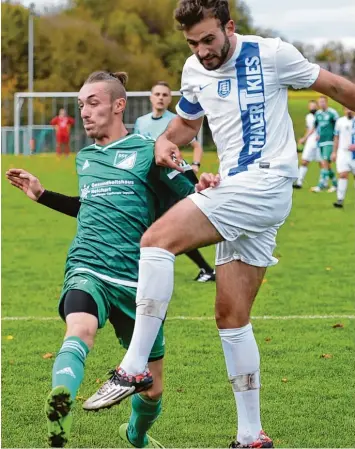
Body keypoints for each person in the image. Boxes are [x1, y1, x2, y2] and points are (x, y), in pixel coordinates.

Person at [84, 1, 355, 448]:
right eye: (193, 43)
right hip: (240, 188)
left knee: (156, 241)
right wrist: (165, 143)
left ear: (229, 26)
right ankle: (251, 436)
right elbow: (187, 124)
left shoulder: (272, 53)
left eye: (209, 39)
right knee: (231, 317)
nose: (203, 50)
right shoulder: (193, 70)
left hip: (266, 181)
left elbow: (336, 86)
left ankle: (133, 365)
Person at [6, 70, 208, 449]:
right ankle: (60, 405)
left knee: (152, 388)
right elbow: (90, 207)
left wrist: (203, 184)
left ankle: (136, 435)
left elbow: (193, 200)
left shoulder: (151, 150)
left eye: (93, 103)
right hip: (87, 266)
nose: (84, 112)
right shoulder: (84, 157)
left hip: (138, 284)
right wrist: (42, 193)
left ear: (118, 105)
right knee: (79, 328)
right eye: (81, 105)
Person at [135, 80, 215, 282]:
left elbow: (196, 146)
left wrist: (195, 164)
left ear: (170, 99)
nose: (161, 97)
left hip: (176, 178)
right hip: (153, 181)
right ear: (151, 97)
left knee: (170, 224)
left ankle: (151, 266)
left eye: (165, 94)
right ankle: (205, 269)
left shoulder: (175, 121)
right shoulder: (141, 122)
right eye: (157, 94)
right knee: (154, 223)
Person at [309, 96, 339, 192]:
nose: (322, 103)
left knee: (324, 162)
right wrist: (313, 136)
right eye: (320, 102)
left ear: (326, 102)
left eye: (323, 102)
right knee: (327, 165)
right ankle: (335, 184)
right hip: (321, 142)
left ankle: (320, 185)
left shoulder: (332, 113)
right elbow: (315, 126)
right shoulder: (318, 114)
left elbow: (338, 127)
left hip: (329, 141)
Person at [294, 100, 321, 189]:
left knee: (322, 163)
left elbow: (313, 129)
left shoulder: (320, 115)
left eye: (314, 106)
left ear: (317, 107)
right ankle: (299, 182)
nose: (312, 108)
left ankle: (323, 183)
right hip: (310, 141)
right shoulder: (308, 116)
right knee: (304, 161)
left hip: (319, 141)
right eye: (311, 106)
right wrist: (305, 139)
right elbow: (308, 128)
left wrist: (303, 138)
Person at [331, 107, 355, 207]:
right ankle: (340, 199)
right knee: (342, 175)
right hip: (343, 152)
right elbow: (336, 137)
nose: (348, 111)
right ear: (343, 109)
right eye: (346, 109)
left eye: (350, 109)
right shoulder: (340, 122)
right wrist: (334, 152)